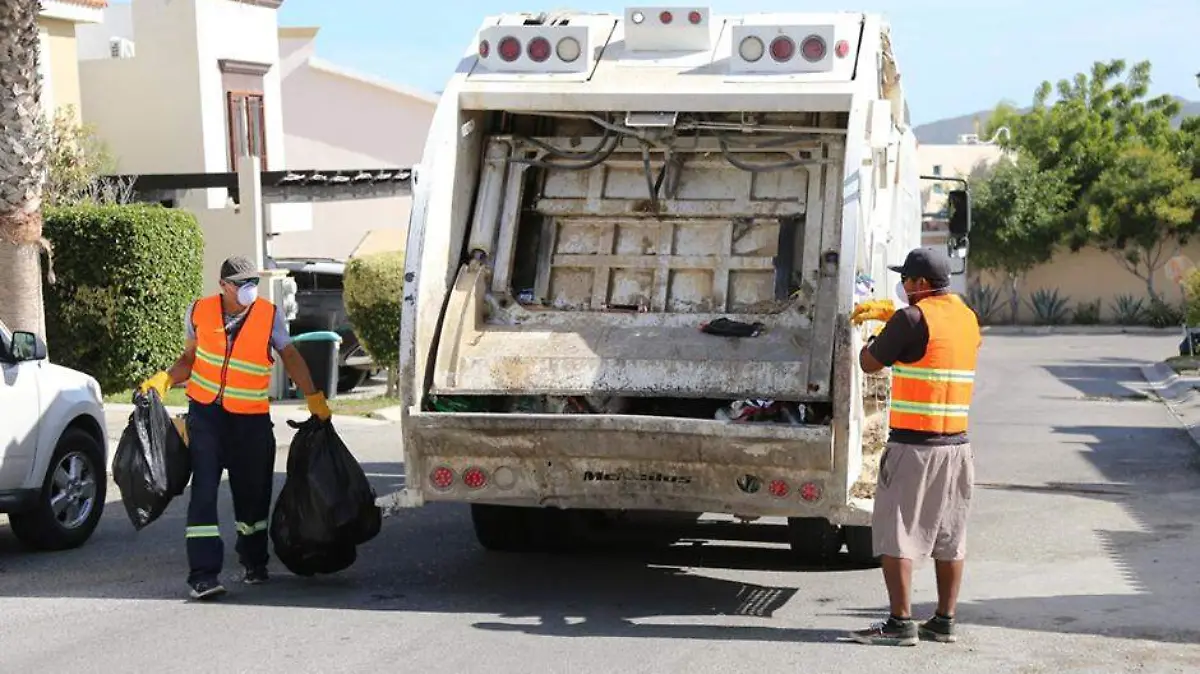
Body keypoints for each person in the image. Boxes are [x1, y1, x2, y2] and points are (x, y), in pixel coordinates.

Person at [139, 256, 333, 601]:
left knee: (253, 496)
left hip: (251, 419)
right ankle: (202, 574)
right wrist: (165, 379)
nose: (249, 289)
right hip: (206, 417)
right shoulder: (199, 311)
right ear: (224, 285)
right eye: (242, 283)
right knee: (204, 493)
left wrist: (313, 397)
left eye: (252, 283)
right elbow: (190, 359)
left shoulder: (268, 314)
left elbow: (290, 356)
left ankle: (254, 560)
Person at [847, 246, 982, 646]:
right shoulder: (968, 318)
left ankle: (900, 622)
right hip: (956, 446)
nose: (902, 286)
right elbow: (938, 347)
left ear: (921, 284)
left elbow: (869, 362)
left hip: (913, 446)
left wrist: (878, 332)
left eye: (906, 280)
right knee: (949, 536)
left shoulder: (910, 318)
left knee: (896, 532)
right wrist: (898, 324)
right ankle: (944, 620)